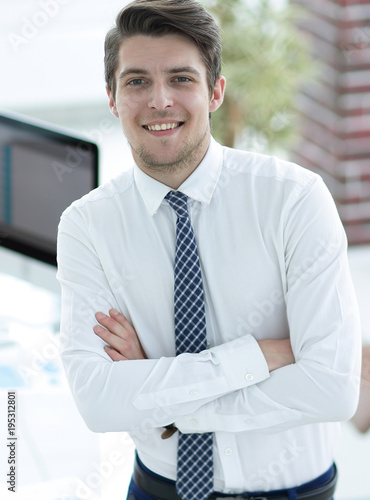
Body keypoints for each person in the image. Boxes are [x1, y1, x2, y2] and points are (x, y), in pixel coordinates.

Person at [56, 0, 362, 499]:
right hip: (158, 489)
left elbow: (331, 389)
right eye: (136, 81)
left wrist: (160, 395)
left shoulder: (294, 199)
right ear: (112, 98)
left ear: (215, 91)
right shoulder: (88, 226)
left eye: (181, 78)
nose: (159, 101)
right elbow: (97, 403)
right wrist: (258, 357)